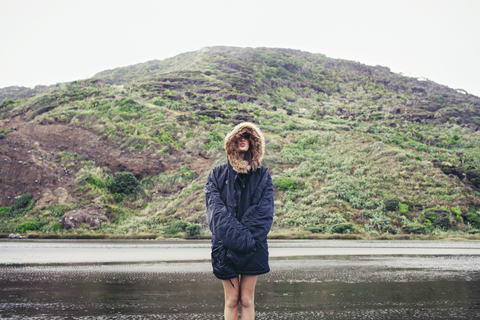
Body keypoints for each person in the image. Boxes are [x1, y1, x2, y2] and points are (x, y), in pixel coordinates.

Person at [205, 122, 274, 320]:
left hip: (254, 247)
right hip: (225, 249)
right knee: (231, 300)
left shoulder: (263, 176)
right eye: (238, 136)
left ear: (254, 142)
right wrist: (238, 244)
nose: (242, 139)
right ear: (231, 142)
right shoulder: (216, 176)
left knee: (247, 299)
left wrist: (244, 244)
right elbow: (216, 215)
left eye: (247, 135)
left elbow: (264, 215)